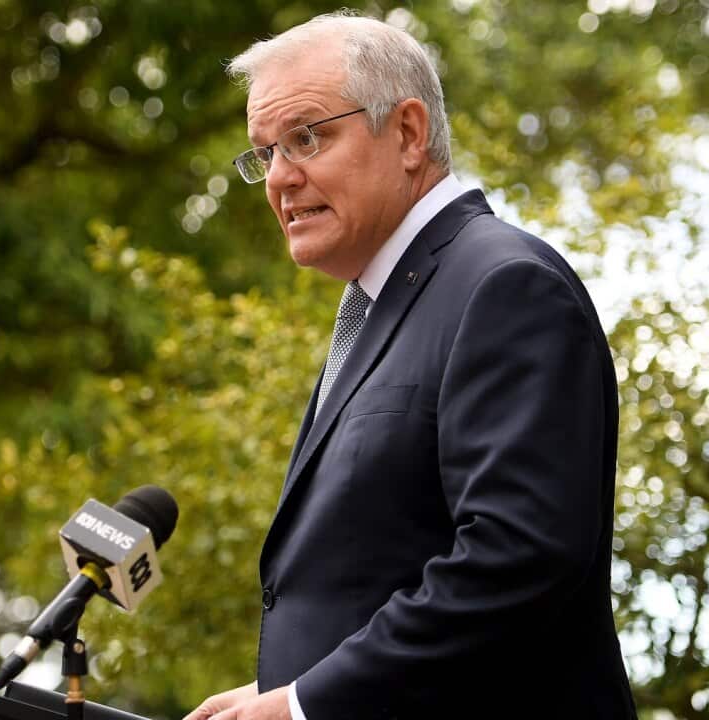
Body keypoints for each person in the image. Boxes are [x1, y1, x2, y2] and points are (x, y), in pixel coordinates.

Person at [185, 11, 636, 720]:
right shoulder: (383, 302)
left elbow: (518, 558)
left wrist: (307, 702)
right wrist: (283, 687)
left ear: (407, 133)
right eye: (265, 153)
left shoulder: (504, 285)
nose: (280, 179)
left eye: (305, 138)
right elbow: (381, 567)